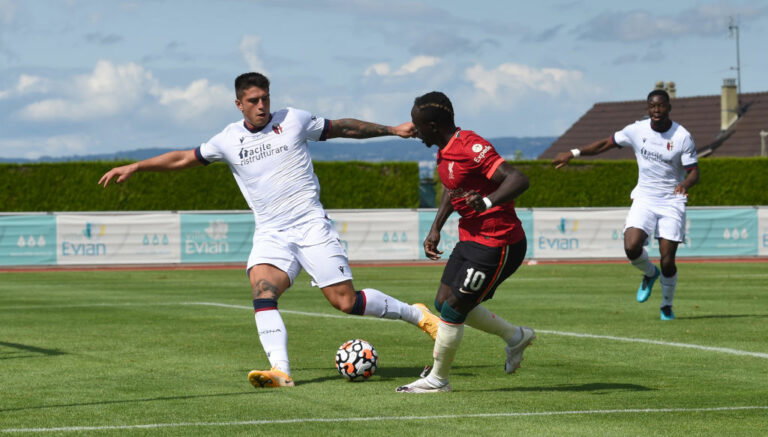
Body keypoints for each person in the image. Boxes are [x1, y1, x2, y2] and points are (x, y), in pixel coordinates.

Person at [98, 72, 440, 388]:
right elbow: (183, 159)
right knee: (263, 291)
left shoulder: (294, 120)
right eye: (253, 101)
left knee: (345, 302)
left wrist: (391, 130)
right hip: (271, 233)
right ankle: (280, 370)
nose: (261, 105)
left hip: (310, 227)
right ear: (239, 104)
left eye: (265, 98)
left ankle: (417, 315)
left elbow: (343, 128)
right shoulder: (227, 140)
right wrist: (137, 166)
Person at [395, 91, 536, 394]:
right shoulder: (445, 150)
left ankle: (438, 379)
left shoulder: (470, 145)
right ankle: (516, 337)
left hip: (498, 241)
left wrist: (486, 201)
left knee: (455, 308)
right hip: (471, 238)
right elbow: (453, 187)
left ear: (433, 125)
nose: (414, 130)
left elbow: (518, 179)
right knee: (444, 302)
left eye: (417, 125)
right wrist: (435, 228)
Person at [552, 89, 699, 320]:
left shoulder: (682, 136)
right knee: (631, 247)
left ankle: (666, 305)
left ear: (669, 107)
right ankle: (650, 274)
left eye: (661, 106)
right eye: (652, 106)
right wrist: (573, 152)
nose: (656, 110)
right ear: (648, 109)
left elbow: (694, 172)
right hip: (644, 198)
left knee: (668, 259)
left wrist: (685, 185)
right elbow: (605, 144)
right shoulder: (636, 130)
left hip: (671, 201)